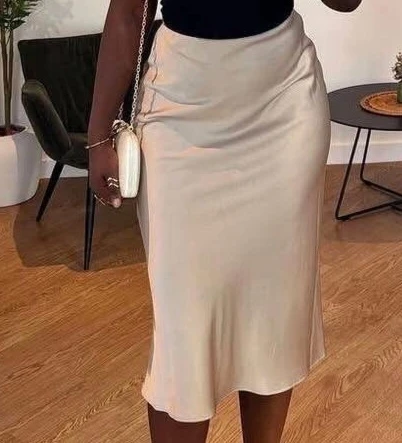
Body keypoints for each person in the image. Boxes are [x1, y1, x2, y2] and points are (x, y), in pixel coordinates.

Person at [87, 0, 363, 441]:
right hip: (180, 111)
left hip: (282, 105)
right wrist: (98, 134)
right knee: (184, 330)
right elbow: (128, 11)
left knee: (273, 317)